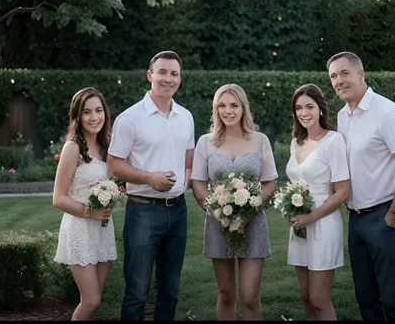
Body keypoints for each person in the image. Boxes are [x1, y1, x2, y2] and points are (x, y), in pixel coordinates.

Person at [327, 51, 395, 321]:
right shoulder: (343, 115)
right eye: (333, 76)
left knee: (394, 302)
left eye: (344, 73)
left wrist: (393, 214)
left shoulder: (387, 113)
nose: (339, 81)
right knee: (366, 299)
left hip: (385, 217)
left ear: (361, 74)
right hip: (356, 220)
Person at [107, 51, 195, 321]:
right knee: (137, 291)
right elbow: (114, 164)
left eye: (174, 74)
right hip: (143, 212)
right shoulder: (130, 118)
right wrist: (147, 178)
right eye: (162, 72)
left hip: (178, 211)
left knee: (170, 290)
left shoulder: (186, 116)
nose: (168, 79)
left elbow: (189, 159)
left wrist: (185, 182)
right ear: (150, 75)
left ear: (180, 78)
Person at [190, 83, 278, 321]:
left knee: (250, 296)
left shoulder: (260, 140)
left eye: (234, 105)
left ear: (243, 108)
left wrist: (248, 213)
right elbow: (198, 184)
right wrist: (217, 213)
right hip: (218, 225)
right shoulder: (205, 142)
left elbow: (269, 182)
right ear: (215, 109)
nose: (228, 111)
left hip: (253, 224)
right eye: (222, 106)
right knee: (226, 293)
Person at [285, 84, 351, 321]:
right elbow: (296, 182)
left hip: (323, 224)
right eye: (299, 108)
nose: (304, 113)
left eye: (309, 107)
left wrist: (310, 217)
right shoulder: (296, 142)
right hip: (299, 227)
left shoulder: (333, 141)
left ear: (320, 109)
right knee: (305, 295)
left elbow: (343, 192)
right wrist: (291, 208)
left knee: (319, 299)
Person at [53, 87, 116, 320]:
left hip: (102, 230)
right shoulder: (72, 148)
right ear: (77, 116)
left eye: (98, 110)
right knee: (91, 301)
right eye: (87, 112)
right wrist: (89, 214)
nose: (94, 117)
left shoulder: (107, 145)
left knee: (96, 302)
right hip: (80, 228)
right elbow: (58, 198)